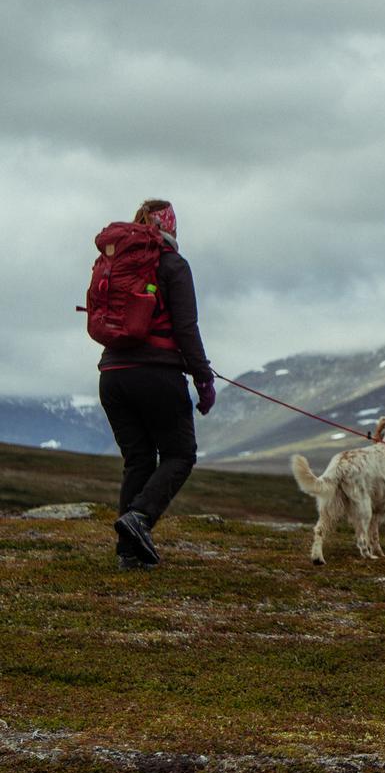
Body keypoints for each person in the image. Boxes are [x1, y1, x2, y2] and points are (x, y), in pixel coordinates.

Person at [97, 199, 216, 570]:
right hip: (157, 375)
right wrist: (203, 378)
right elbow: (185, 327)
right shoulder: (174, 265)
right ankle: (141, 519)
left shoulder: (116, 264)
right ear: (171, 227)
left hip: (113, 375)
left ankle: (127, 554)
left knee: (139, 460)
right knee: (180, 454)